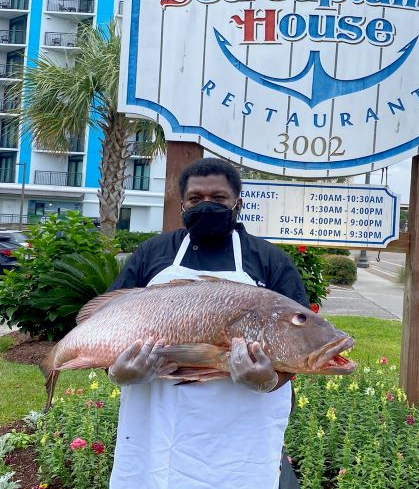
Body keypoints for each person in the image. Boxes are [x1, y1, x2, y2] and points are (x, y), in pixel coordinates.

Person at [106, 157, 307, 489]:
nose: (206, 205)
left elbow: (298, 346)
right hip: (157, 419)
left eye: (219, 198)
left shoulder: (270, 261)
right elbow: (112, 322)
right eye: (196, 199)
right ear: (183, 204)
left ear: (237, 203)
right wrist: (117, 372)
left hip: (240, 428)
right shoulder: (152, 254)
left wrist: (268, 380)